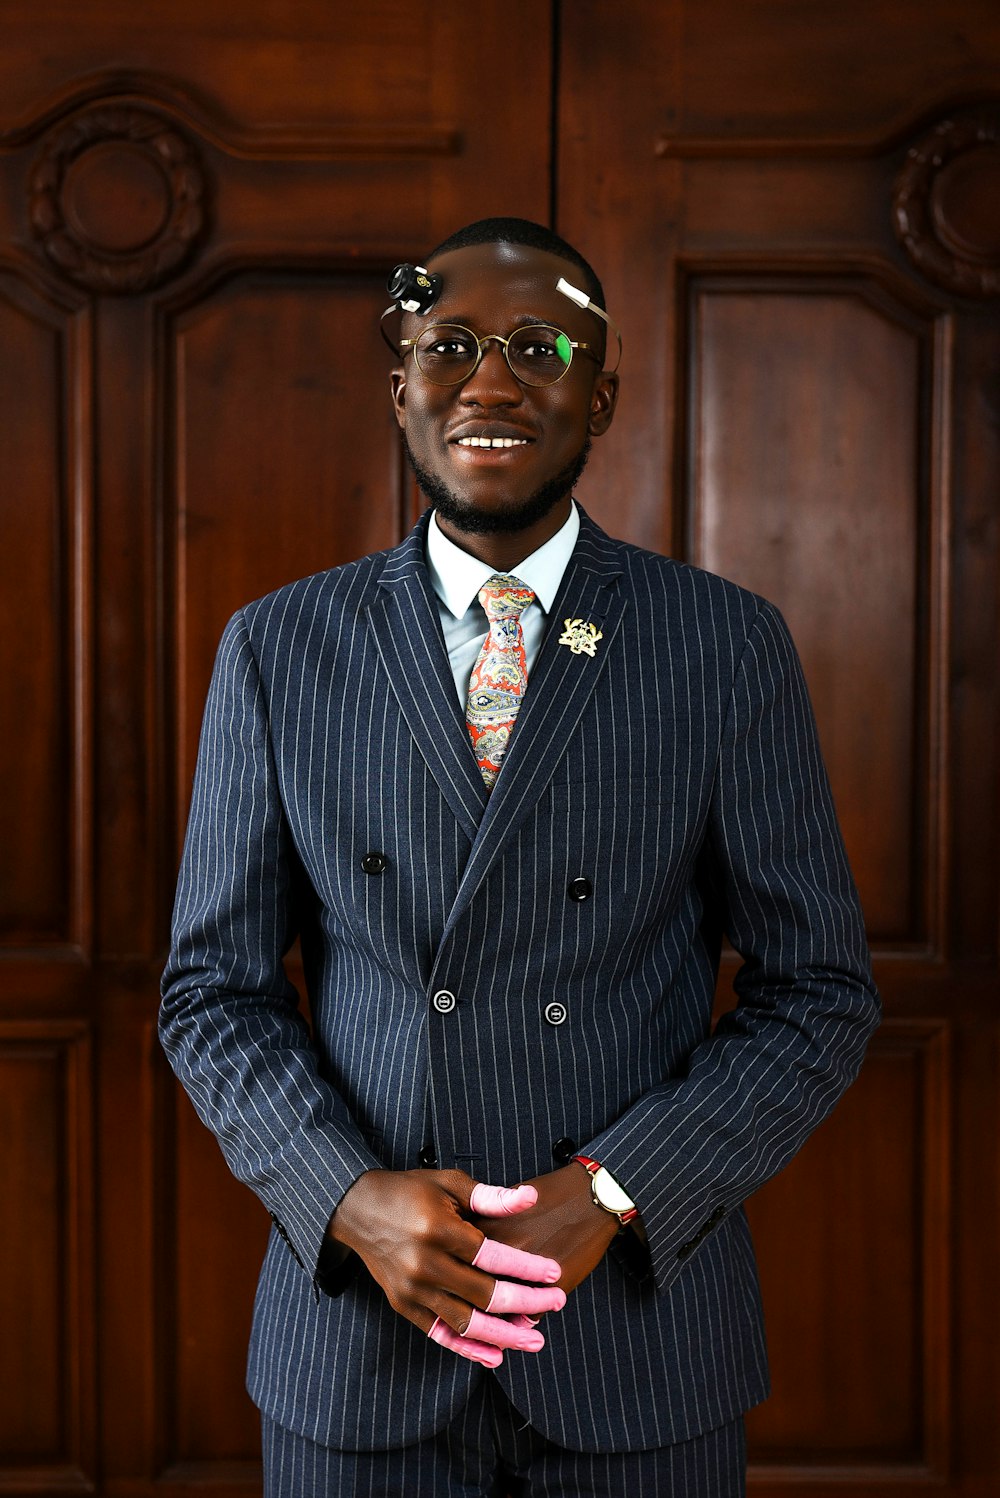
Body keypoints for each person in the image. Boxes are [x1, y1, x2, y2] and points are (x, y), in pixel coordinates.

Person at [160, 216, 880, 1497]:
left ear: (599, 394)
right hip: (360, 1339)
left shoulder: (723, 644)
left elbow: (815, 991)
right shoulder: (279, 648)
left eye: (538, 347)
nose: (490, 382)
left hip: (639, 1339)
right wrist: (344, 1196)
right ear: (402, 390)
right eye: (451, 347)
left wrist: (612, 1191)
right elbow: (211, 994)